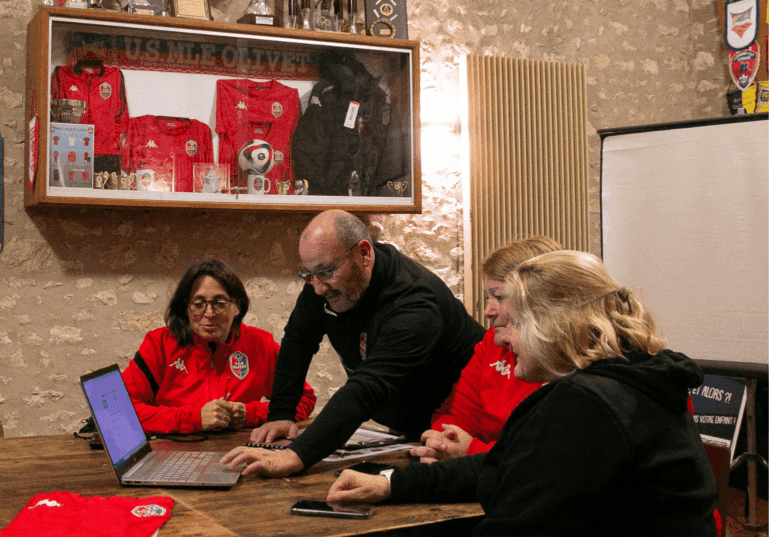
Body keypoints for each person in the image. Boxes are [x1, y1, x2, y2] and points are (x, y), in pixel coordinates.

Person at [328, 250, 718, 537]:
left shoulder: (588, 403)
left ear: (554, 325)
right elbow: (508, 462)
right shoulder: (631, 379)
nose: (507, 338)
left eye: (518, 323)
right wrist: (391, 483)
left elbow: (520, 525)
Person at [221, 210, 485, 477]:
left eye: (326, 271)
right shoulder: (324, 280)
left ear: (364, 254)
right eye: (309, 274)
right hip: (407, 423)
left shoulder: (414, 303)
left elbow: (368, 386)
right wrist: (281, 412)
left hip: (461, 427)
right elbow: (299, 340)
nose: (317, 287)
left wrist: (296, 455)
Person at [122, 259, 316, 434]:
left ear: (237, 306)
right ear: (185, 307)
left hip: (239, 452)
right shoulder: (159, 344)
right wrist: (196, 419)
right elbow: (122, 411)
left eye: (220, 303)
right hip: (171, 453)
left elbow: (303, 399)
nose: (209, 313)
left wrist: (250, 413)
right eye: (198, 304)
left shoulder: (260, 344)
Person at [413, 236, 561, 463]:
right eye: (488, 297)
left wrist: (471, 451)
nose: (488, 311)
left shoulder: (568, 359)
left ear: (536, 299)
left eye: (500, 297)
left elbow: (542, 458)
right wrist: (443, 444)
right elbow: (456, 415)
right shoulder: (492, 341)